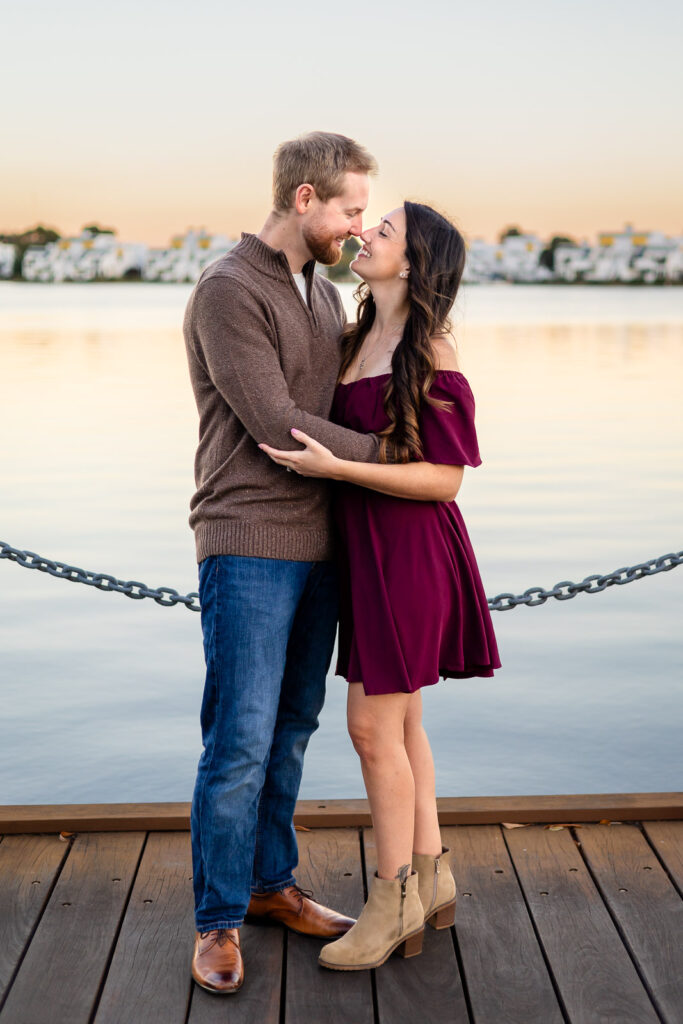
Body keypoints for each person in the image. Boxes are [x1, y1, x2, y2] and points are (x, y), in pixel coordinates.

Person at [259, 200, 502, 971]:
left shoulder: (432, 349)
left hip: (410, 553)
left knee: (371, 731)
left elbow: (444, 479)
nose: (366, 235)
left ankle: (390, 899)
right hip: (363, 553)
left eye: (385, 230)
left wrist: (337, 469)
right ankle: (432, 878)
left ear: (414, 262)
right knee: (400, 728)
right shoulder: (355, 335)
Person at [182, 131, 383, 995]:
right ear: (304, 199)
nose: (356, 226)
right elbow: (275, 424)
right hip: (249, 541)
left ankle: (271, 887)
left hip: (322, 542)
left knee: (293, 729)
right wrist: (393, 450)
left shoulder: (321, 290)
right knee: (237, 742)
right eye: (349, 209)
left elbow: (331, 393)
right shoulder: (228, 290)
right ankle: (218, 921)